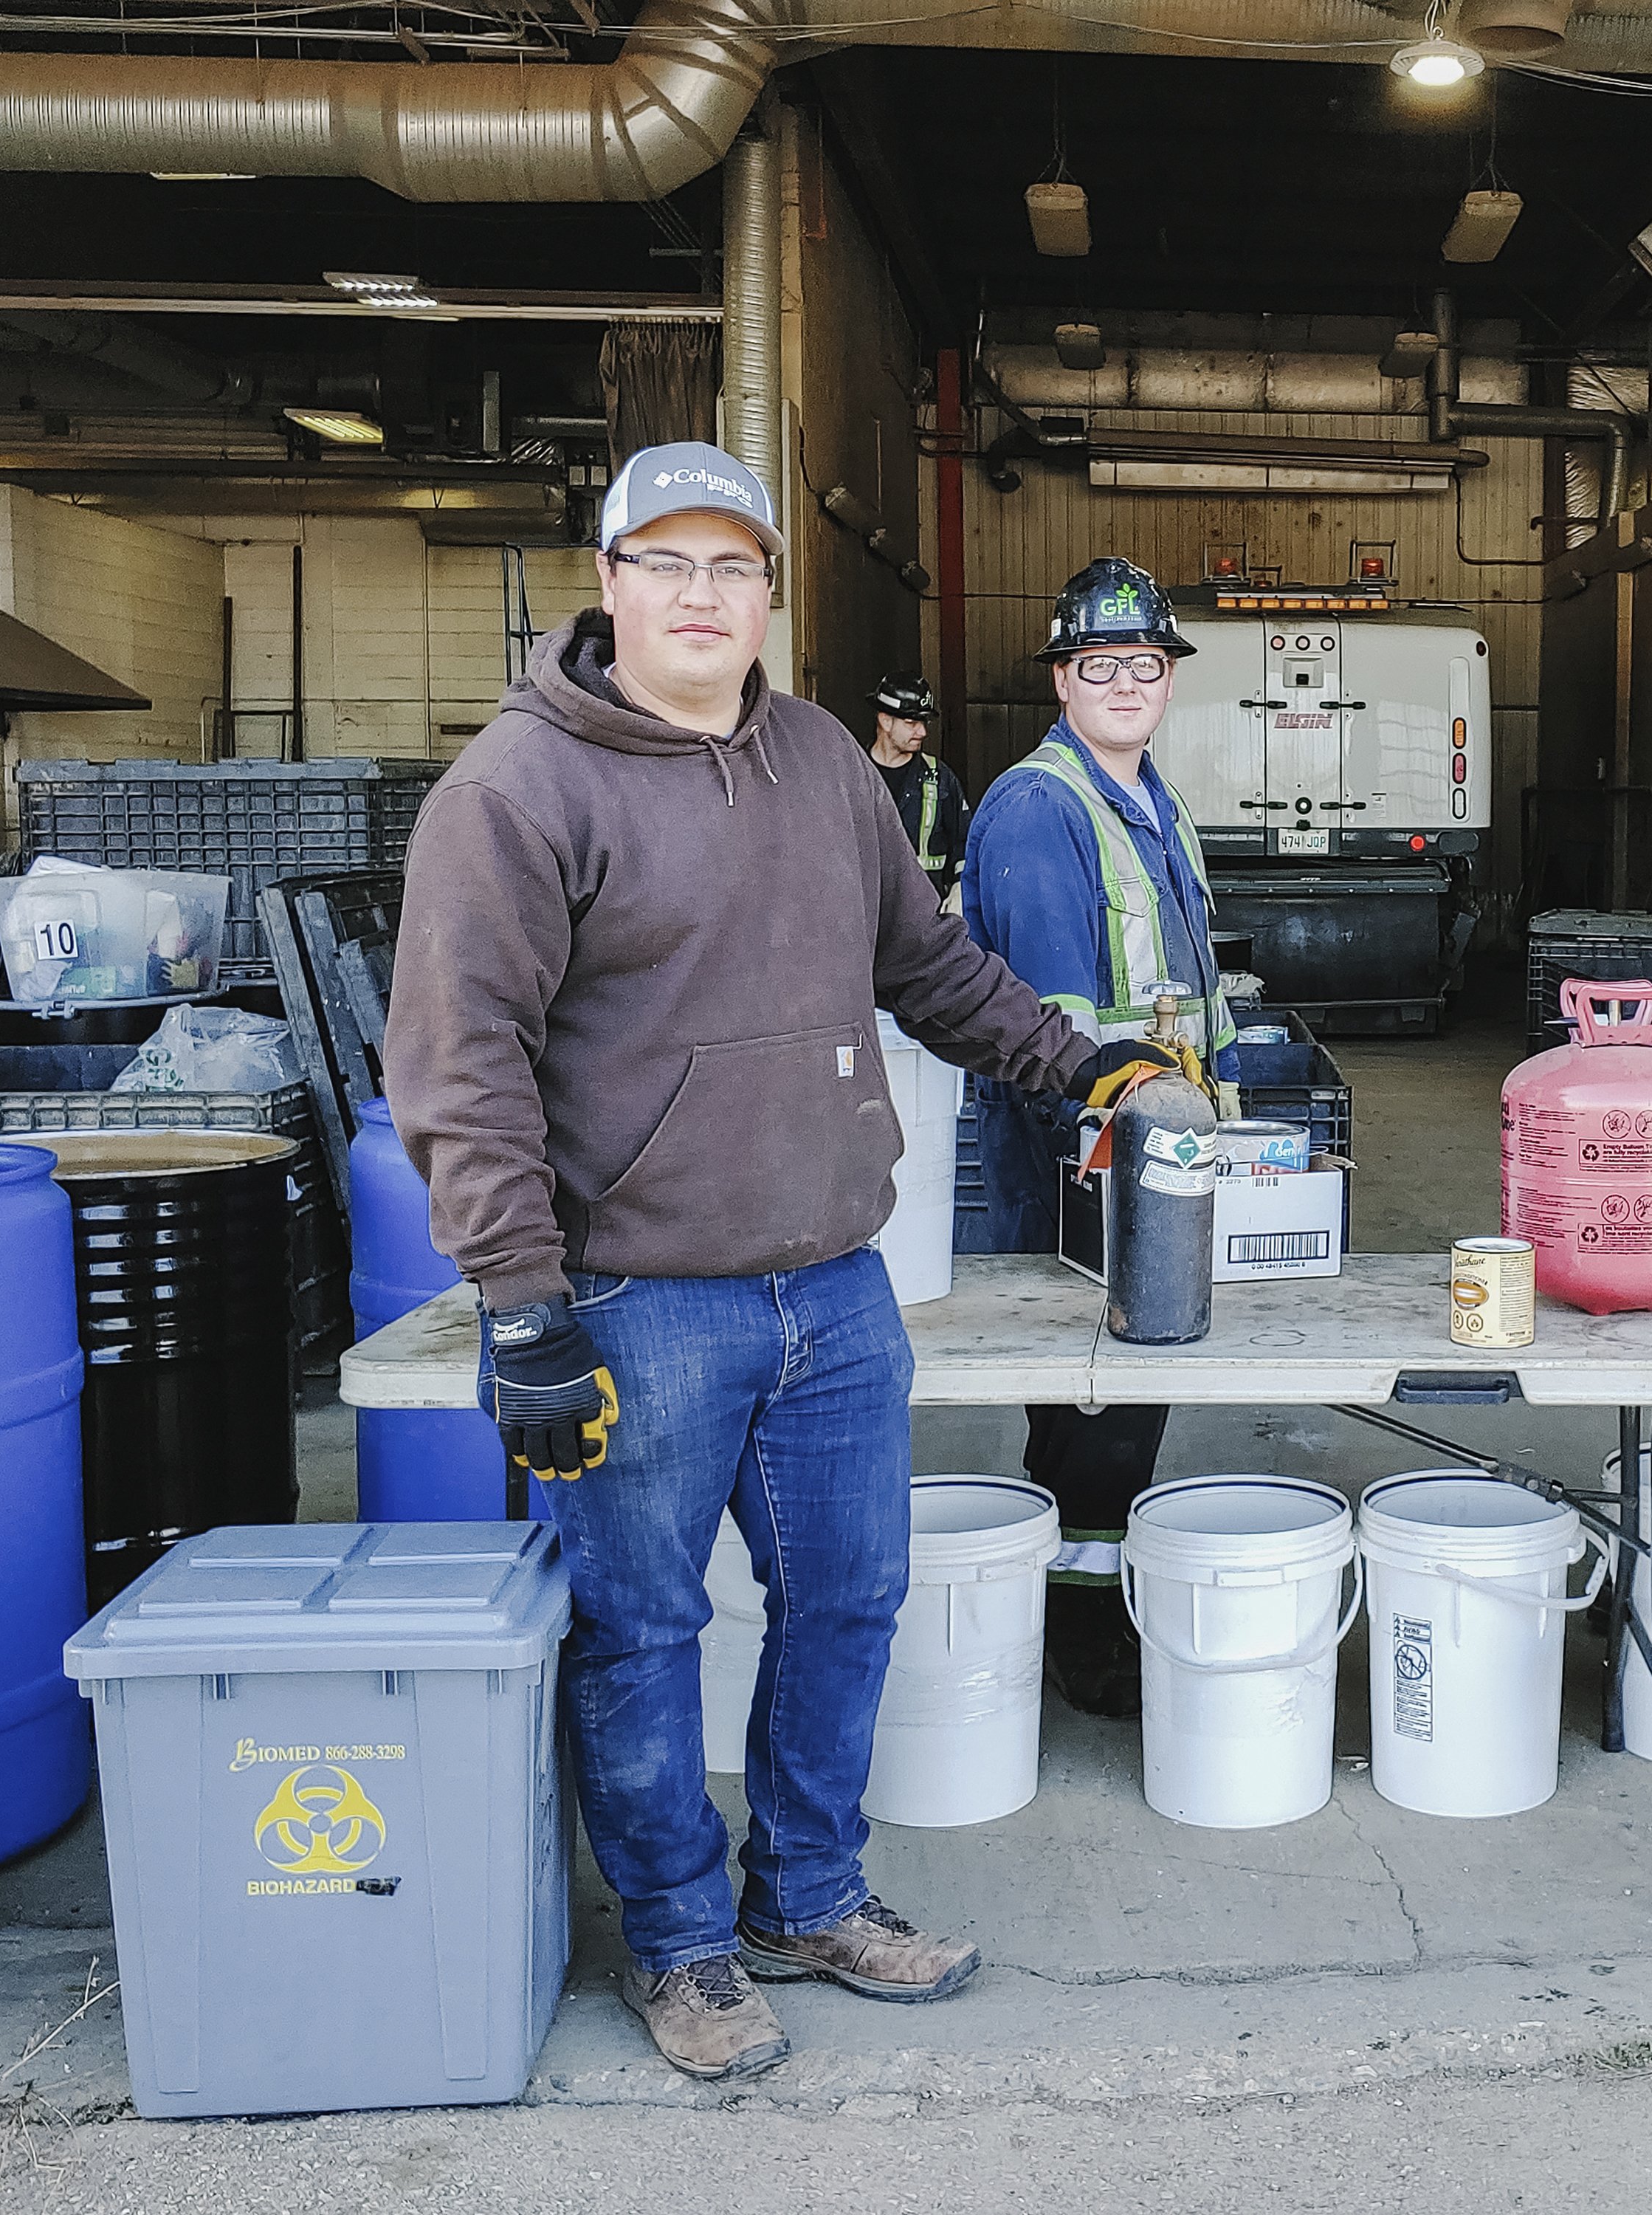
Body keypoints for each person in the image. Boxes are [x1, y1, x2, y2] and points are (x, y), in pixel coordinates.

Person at [385, 444, 1171, 2084]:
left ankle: (805, 1895)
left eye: (729, 566)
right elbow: (461, 1070)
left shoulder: (822, 759)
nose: (699, 594)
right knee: (645, 1629)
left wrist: (1081, 1060)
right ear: (607, 585)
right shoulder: (518, 794)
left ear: (765, 594)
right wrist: (522, 1308)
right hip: (634, 1299)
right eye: (663, 563)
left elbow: (932, 971)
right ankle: (675, 1943)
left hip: (833, 1287)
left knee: (849, 1602)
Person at [961, 554, 1233, 1722]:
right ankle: (1079, 1627)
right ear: (1062, 680)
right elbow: (1050, 1033)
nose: (1125, 681)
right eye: (1098, 664)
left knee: (1130, 1402)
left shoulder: (1148, 797)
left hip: (1155, 1150)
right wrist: (1113, 1154)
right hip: (1084, 1155)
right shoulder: (1039, 808)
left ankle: (1090, 1592)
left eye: (1145, 663)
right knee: (1091, 1408)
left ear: (1167, 678)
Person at [867, 670, 969, 899]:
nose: (922, 732)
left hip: (926, 918)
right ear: (885, 721)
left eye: (924, 722)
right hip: (870, 919)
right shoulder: (855, 777)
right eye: (912, 722)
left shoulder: (940, 778)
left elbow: (964, 843)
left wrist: (959, 891)